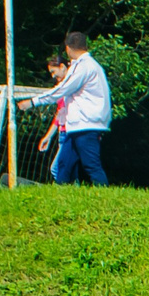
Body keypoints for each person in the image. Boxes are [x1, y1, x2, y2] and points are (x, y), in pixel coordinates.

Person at [31, 31, 113, 185]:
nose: (53, 76)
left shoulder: (84, 68)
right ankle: (61, 199)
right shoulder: (84, 67)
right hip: (74, 127)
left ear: (68, 49)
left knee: (90, 165)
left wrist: (33, 101)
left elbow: (62, 93)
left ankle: (105, 198)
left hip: (85, 125)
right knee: (63, 167)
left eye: (53, 72)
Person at [36, 53, 70, 179]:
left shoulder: (73, 86)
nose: (53, 76)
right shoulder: (60, 89)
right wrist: (48, 137)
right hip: (62, 134)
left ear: (62, 67)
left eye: (53, 71)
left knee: (57, 169)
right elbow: (59, 116)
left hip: (70, 133)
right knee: (67, 170)